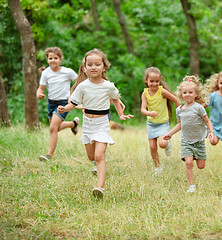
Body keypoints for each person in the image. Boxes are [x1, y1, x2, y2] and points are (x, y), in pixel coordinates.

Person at [58, 48, 133, 199]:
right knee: (91, 156)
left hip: (101, 124)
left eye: (97, 64)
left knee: (99, 156)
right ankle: (96, 167)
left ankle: (100, 188)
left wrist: (121, 114)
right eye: (90, 64)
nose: (93, 67)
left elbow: (115, 99)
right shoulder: (82, 86)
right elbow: (73, 103)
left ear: (104, 67)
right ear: (84, 68)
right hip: (87, 124)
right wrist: (64, 108)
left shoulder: (108, 86)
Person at [164, 76, 215, 193]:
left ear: (196, 94)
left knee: (201, 166)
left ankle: (196, 156)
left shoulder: (199, 108)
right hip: (186, 141)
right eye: (185, 92)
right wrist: (170, 134)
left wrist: (211, 132)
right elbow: (181, 124)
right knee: (188, 163)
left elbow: (207, 121)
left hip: (199, 140)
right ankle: (191, 186)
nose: (187, 95)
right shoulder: (179, 110)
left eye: (190, 92)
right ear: (181, 94)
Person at [36, 47, 79, 161]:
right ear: (47, 59)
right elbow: (40, 88)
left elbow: (80, 82)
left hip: (64, 103)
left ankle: (49, 155)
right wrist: (39, 94)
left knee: (52, 129)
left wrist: (74, 96)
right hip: (51, 103)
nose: (53, 60)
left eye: (55, 58)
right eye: (50, 58)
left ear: (60, 59)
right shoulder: (45, 73)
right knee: (55, 128)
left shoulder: (67, 71)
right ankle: (73, 124)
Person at [140, 67, 180, 175]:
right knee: (152, 147)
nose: (154, 84)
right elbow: (143, 109)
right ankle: (157, 167)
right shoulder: (145, 94)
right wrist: (149, 113)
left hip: (162, 123)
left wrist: (179, 115)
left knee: (162, 144)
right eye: (151, 81)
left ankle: (167, 144)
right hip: (151, 124)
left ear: (159, 81)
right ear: (146, 81)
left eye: (157, 81)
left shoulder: (162, 91)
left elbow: (176, 100)